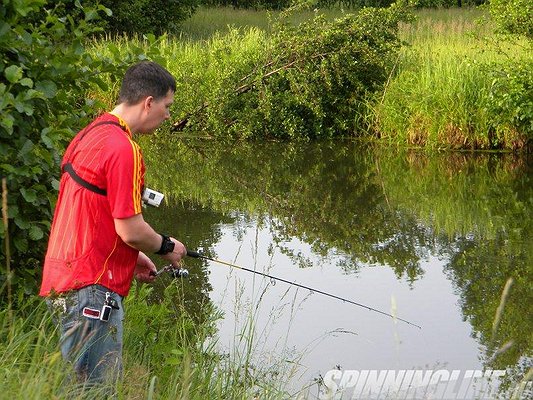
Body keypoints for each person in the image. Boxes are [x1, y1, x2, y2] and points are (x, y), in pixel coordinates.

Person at [40, 61, 186, 385]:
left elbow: (92, 213)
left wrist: (133, 258)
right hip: (93, 290)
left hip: (63, 281)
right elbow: (131, 228)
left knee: (75, 389)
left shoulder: (88, 135)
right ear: (149, 102)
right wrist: (166, 246)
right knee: (97, 390)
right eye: (167, 106)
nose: (167, 116)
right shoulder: (125, 149)